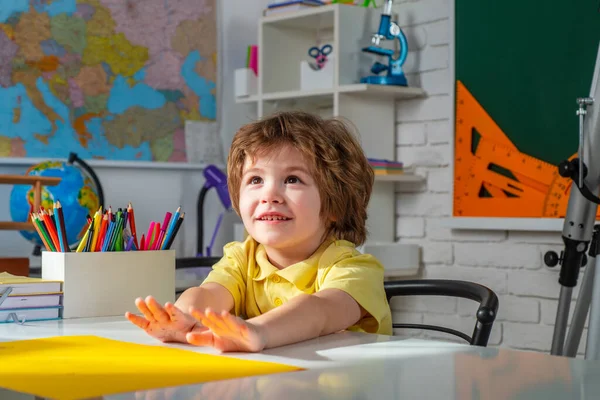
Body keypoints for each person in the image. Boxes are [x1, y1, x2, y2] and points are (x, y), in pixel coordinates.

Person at [126, 111, 392, 353]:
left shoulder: (355, 269)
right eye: (255, 180)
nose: (269, 195)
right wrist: (183, 317)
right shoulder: (241, 258)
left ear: (335, 204)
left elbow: (318, 311)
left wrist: (259, 332)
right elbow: (209, 293)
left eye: (292, 179)